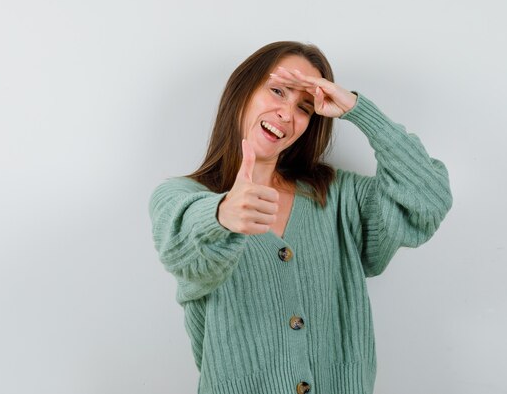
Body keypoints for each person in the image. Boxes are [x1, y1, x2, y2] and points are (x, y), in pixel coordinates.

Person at [148, 41, 452, 394]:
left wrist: (359, 110)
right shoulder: (184, 198)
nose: (287, 113)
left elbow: (428, 197)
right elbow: (183, 244)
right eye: (277, 91)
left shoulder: (338, 196)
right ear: (242, 92)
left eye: (304, 107)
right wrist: (223, 214)